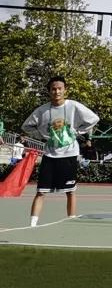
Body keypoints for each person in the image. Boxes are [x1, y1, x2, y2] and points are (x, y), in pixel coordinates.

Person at [20, 76, 99, 227]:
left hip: (69, 154)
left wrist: (78, 131)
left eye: (59, 89)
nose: (56, 91)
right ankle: (32, 224)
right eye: (53, 89)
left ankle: (71, 221)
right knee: (41, 191)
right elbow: (26, 126)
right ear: (49, 91)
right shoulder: (42, 110)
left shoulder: (73, 106)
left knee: (70, 191)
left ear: (65, 90)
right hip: (50, 154)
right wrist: (42, 135)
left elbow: (94, 119)